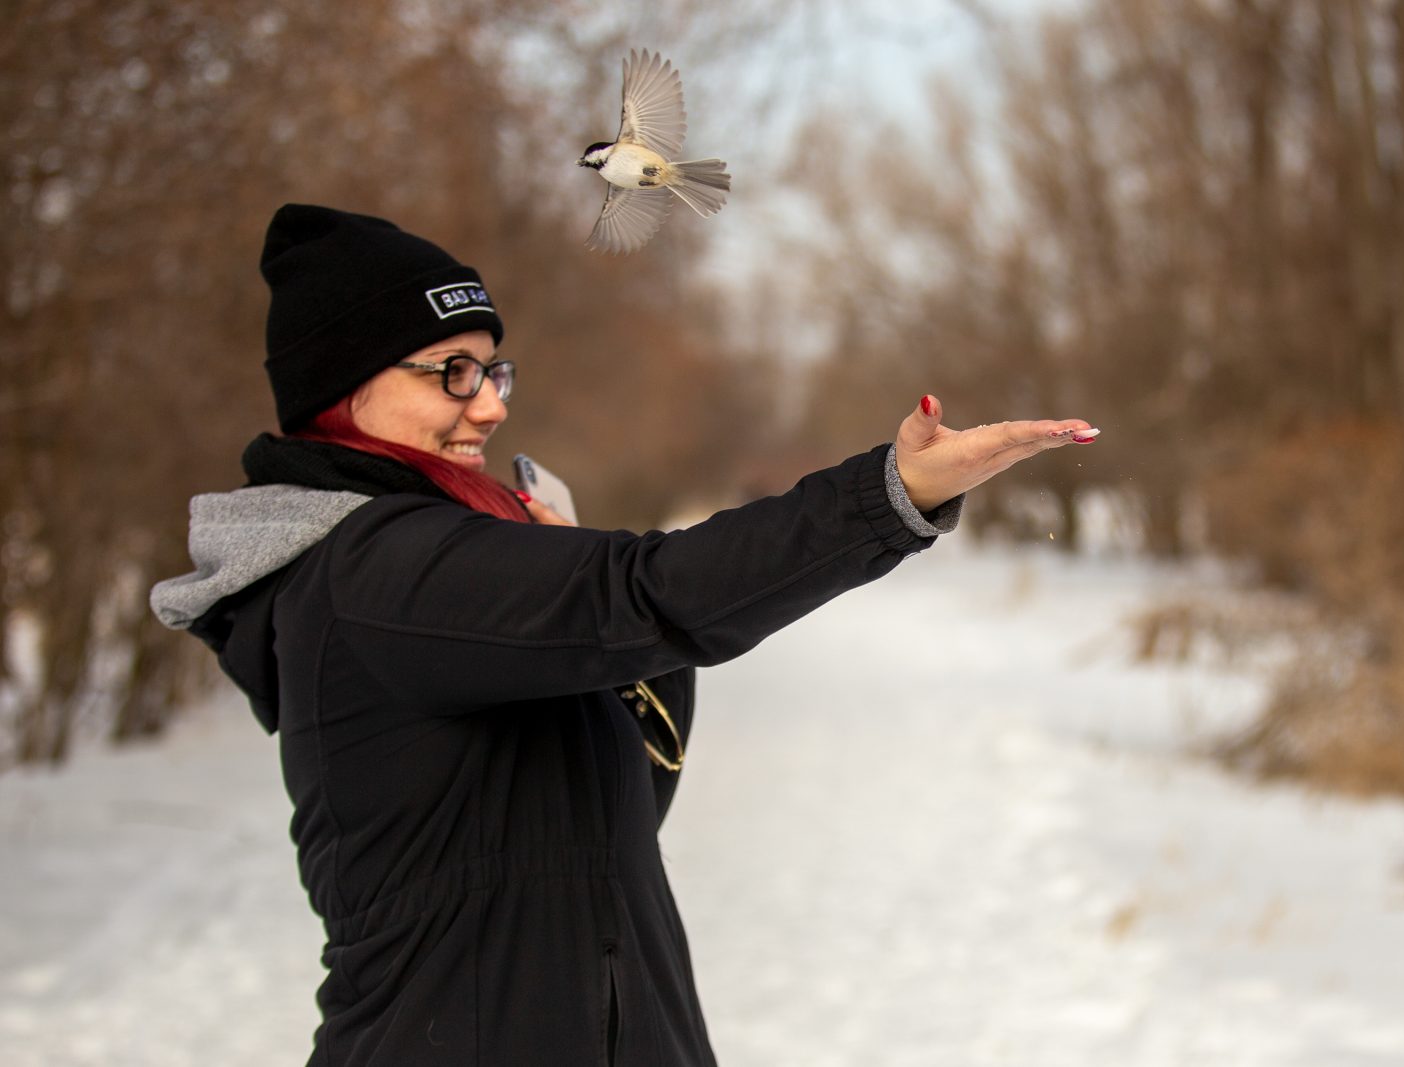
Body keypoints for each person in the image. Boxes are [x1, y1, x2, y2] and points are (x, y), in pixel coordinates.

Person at [150, 203, 1096, 1066]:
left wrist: (580, 599)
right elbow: (649, 596)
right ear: (342, 392)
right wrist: (888, 497)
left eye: (493, 368)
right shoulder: (374, 573)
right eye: (452, 372)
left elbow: (623, 801)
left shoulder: (446, 557)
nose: (490, 403)